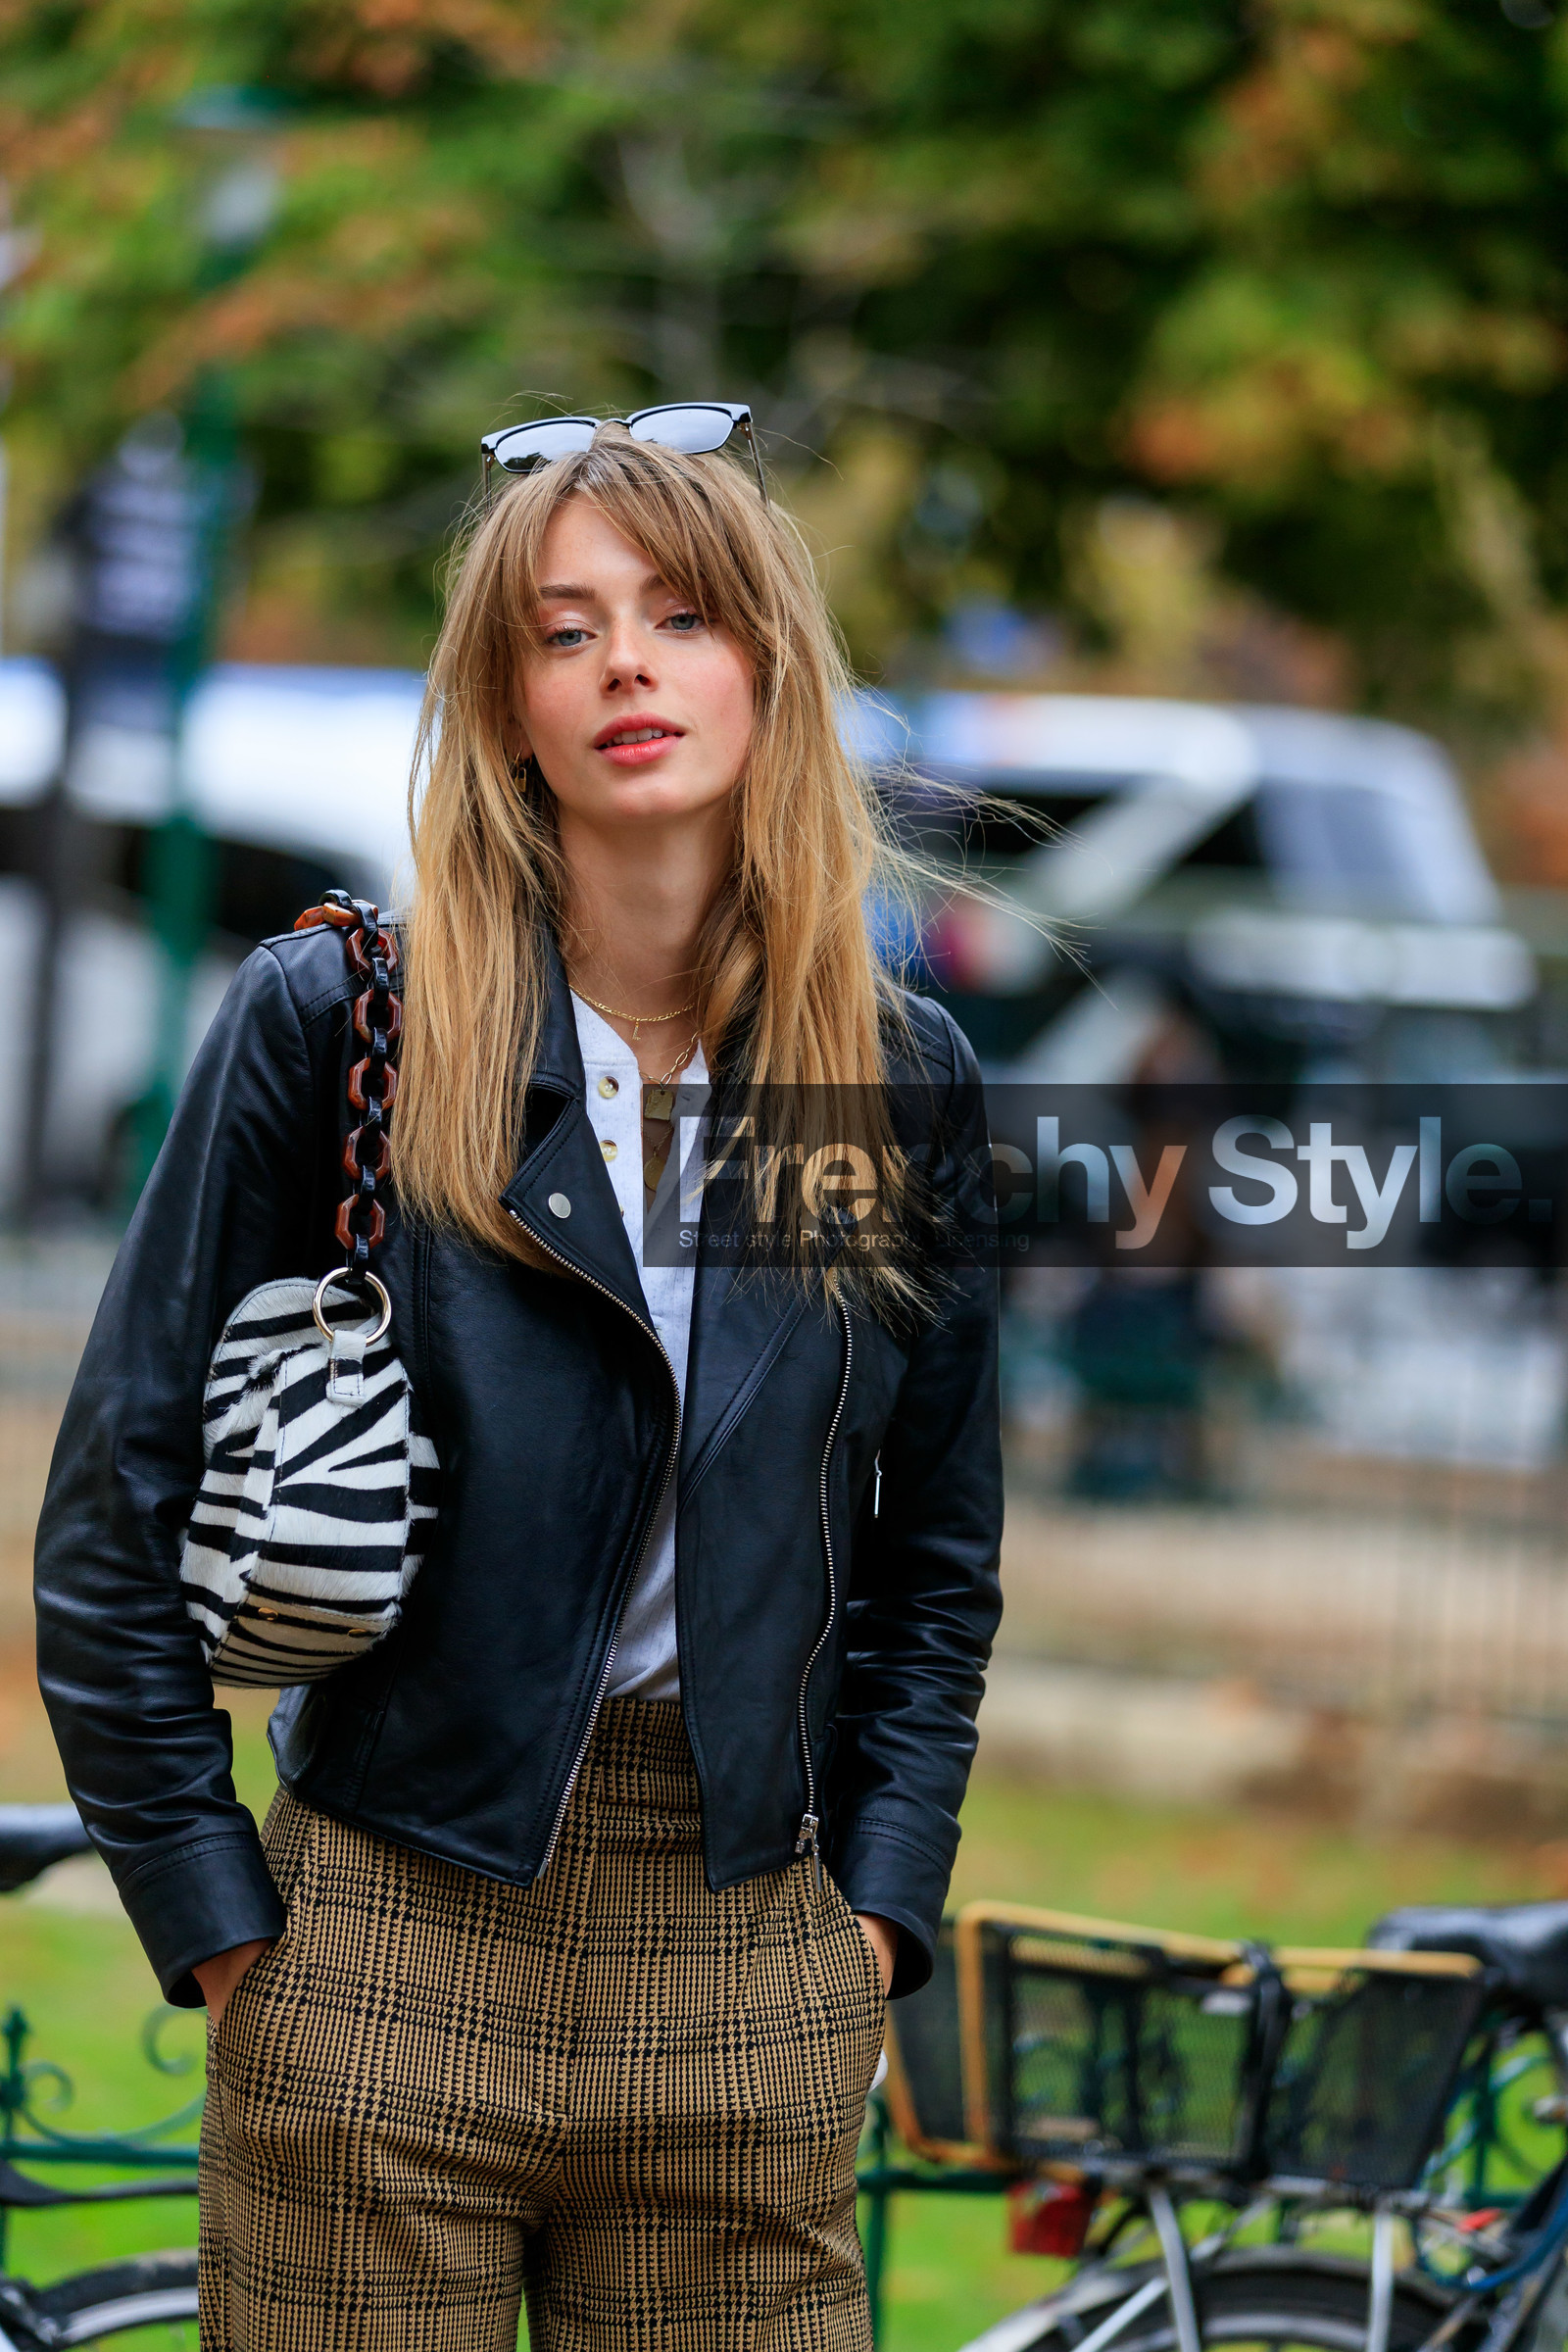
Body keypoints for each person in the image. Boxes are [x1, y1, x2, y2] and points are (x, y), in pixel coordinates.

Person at [34, 412, 1003, 2351]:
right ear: (507, 708)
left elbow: (933, 1564)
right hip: (384, 1923)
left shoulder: (889, 1083)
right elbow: (109, 1514)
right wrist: (220, 1924)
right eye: (562, 633)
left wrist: (868, 1921)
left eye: (677, 615)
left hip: (743, 1946)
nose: (624, 664)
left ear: (769, 668)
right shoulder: (338, 1020)